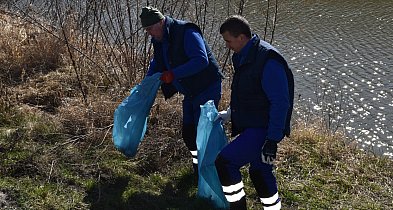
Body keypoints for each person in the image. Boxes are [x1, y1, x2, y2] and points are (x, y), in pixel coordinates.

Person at [215, 15, 294, 210]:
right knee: (260, 171)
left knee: (225, 163)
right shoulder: (243, 55)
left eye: (228, 41)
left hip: (264, 128)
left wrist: (272, 140)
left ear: (241, 37)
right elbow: (246, 92)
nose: (227, 45)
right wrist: (230, 113)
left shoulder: (268, 60)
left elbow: (280, 102)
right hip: (256, 123)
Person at [139, 6, 223, 174]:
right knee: (188, 132)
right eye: (146, 30)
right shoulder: (159, 38)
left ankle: (214, 170)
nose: (149, 33)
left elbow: (201, 60)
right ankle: (198, 168)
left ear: (161, 22)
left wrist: (173, 74)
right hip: (190, 91)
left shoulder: (187, 32)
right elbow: (158, 62)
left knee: (204, 132)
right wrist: (147, 82)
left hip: (207, 87)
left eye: (150, 29)